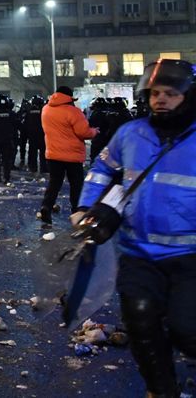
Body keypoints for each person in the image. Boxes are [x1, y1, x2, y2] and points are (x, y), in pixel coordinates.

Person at [75, 59, 196, 397]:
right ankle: (161, 389)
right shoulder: (130, 133)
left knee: (187, 330)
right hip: (137, 252)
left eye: (170, 94)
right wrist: (86, 206)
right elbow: (102, 169)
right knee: (141, 323)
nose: (160, 99)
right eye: (155, 93)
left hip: (189, 255)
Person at [37, 86, 97, 224]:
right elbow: (84, 132)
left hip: (52, 155)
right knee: (76, 185)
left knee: (54, 183)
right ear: (69, 98)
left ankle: (46, 206)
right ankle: (76, 211)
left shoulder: (46, 109)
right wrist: (94, 132)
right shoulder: (73, 112)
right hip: (72, 156)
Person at [23, 95, 47, 174]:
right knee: (43, 153)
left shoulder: (28, 111)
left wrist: (25, 135)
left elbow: (25, 124)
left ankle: (33, 167)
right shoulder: (44, 111)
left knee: (32, 152)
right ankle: (43, 168)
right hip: (42, 135)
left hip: (32, 135)